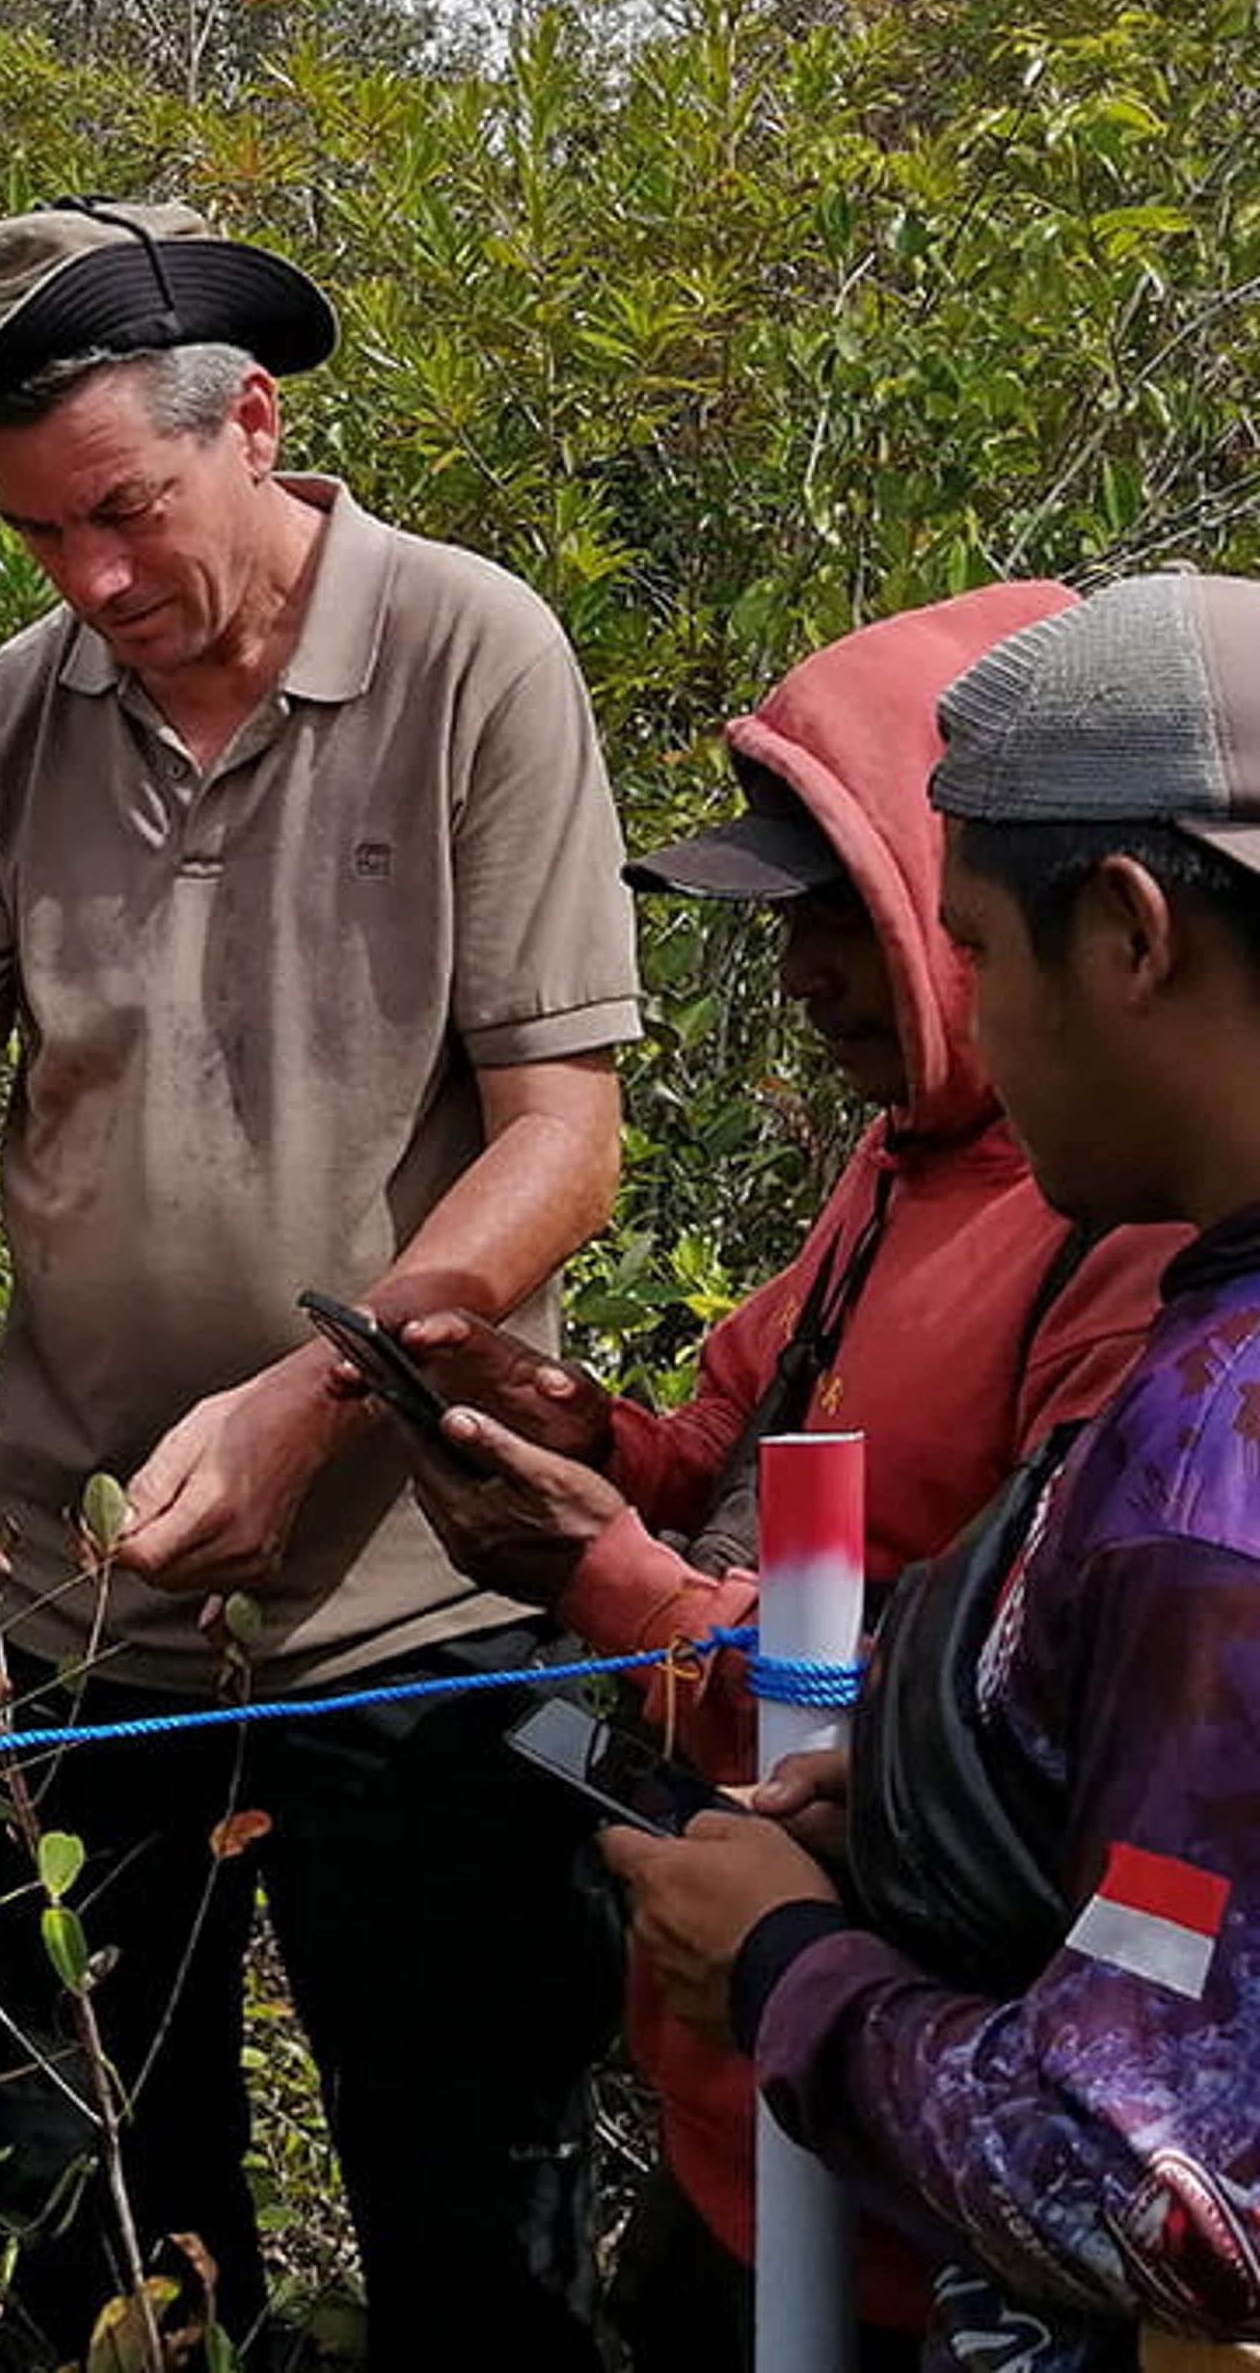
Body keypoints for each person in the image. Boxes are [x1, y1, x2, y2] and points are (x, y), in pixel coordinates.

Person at [0, 202, 643, 2370]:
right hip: (67, 1603)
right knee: (98, 2240)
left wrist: (315, 1394)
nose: (92, 583)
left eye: (123, 514)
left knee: (476, 2224)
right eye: (39, 536)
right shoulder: (2, 725)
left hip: (415, 1605)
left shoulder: (467, 651)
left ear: (256, 418)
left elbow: (559, 1139)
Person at [380, 586, 1182, 2370]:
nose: (807, 972)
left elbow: (995, 1722)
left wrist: (604, 1576)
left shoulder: (1126, 1246)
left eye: (850, 913)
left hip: (936, 2178)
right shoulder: (906, 1160)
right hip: (754, 2104)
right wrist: (597, 1442)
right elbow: (754, 1448)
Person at [606, 570, 1260, 2373]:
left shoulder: (1215, 1467)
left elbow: (1149, 2184)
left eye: (974, 945)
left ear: (1127, 930)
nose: (950, 1008)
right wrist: (910, 1784)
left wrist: (789, 1964)